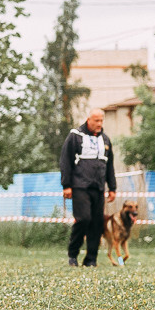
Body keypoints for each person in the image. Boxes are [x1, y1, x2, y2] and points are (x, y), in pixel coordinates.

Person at [60, 109, 117, 267]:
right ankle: (73, 255)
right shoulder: (75, 136)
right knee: (84, 219)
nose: (99, 124)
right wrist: (66, 185)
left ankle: (91, 259)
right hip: (80, 186)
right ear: (88, 120)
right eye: (96, 121)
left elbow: (109, 165)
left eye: (101, 121)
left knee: (97, 223)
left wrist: (112, 187)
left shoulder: (105, 139)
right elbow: (65, 161)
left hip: (98, 187)